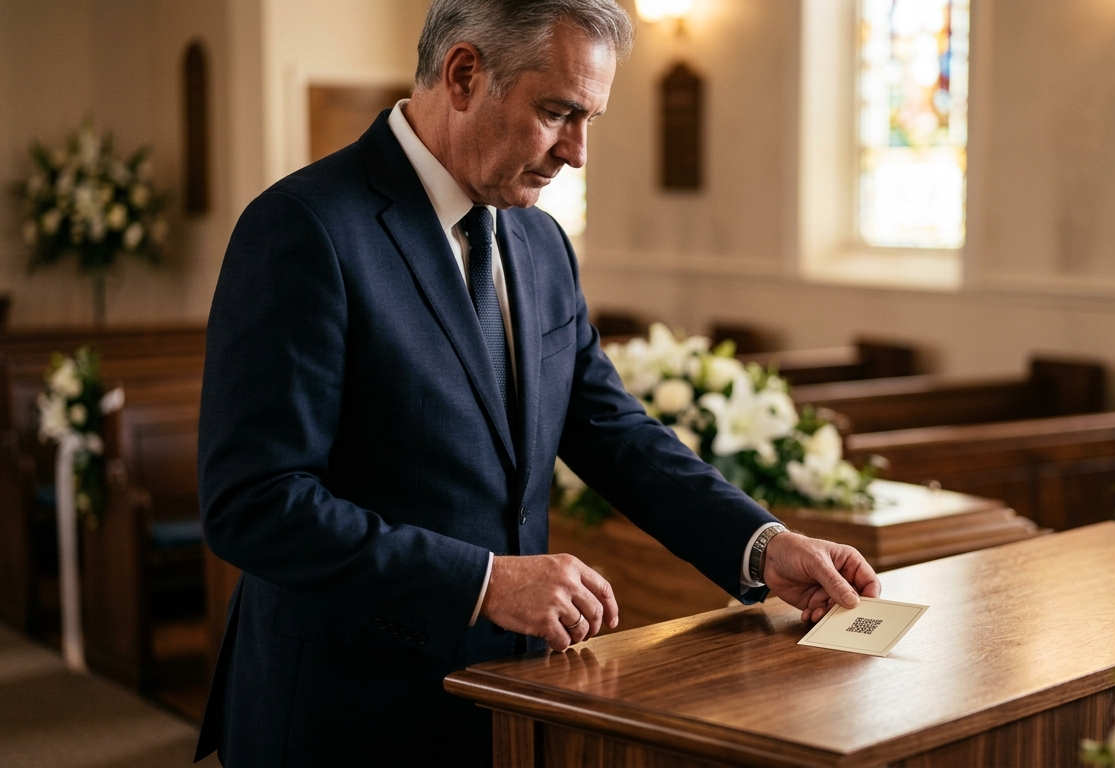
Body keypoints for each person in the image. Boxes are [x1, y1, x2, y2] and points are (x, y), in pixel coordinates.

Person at [194, 1, 880, 765]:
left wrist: (761, 546)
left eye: (590, 119)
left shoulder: (539, 239)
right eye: (558, 113)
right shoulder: (304, 227)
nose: (579, 153)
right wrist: (482, 583)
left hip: (515, 699)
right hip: (344, 710)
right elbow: (254, 504)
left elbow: (612, 432)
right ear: (463, 75)